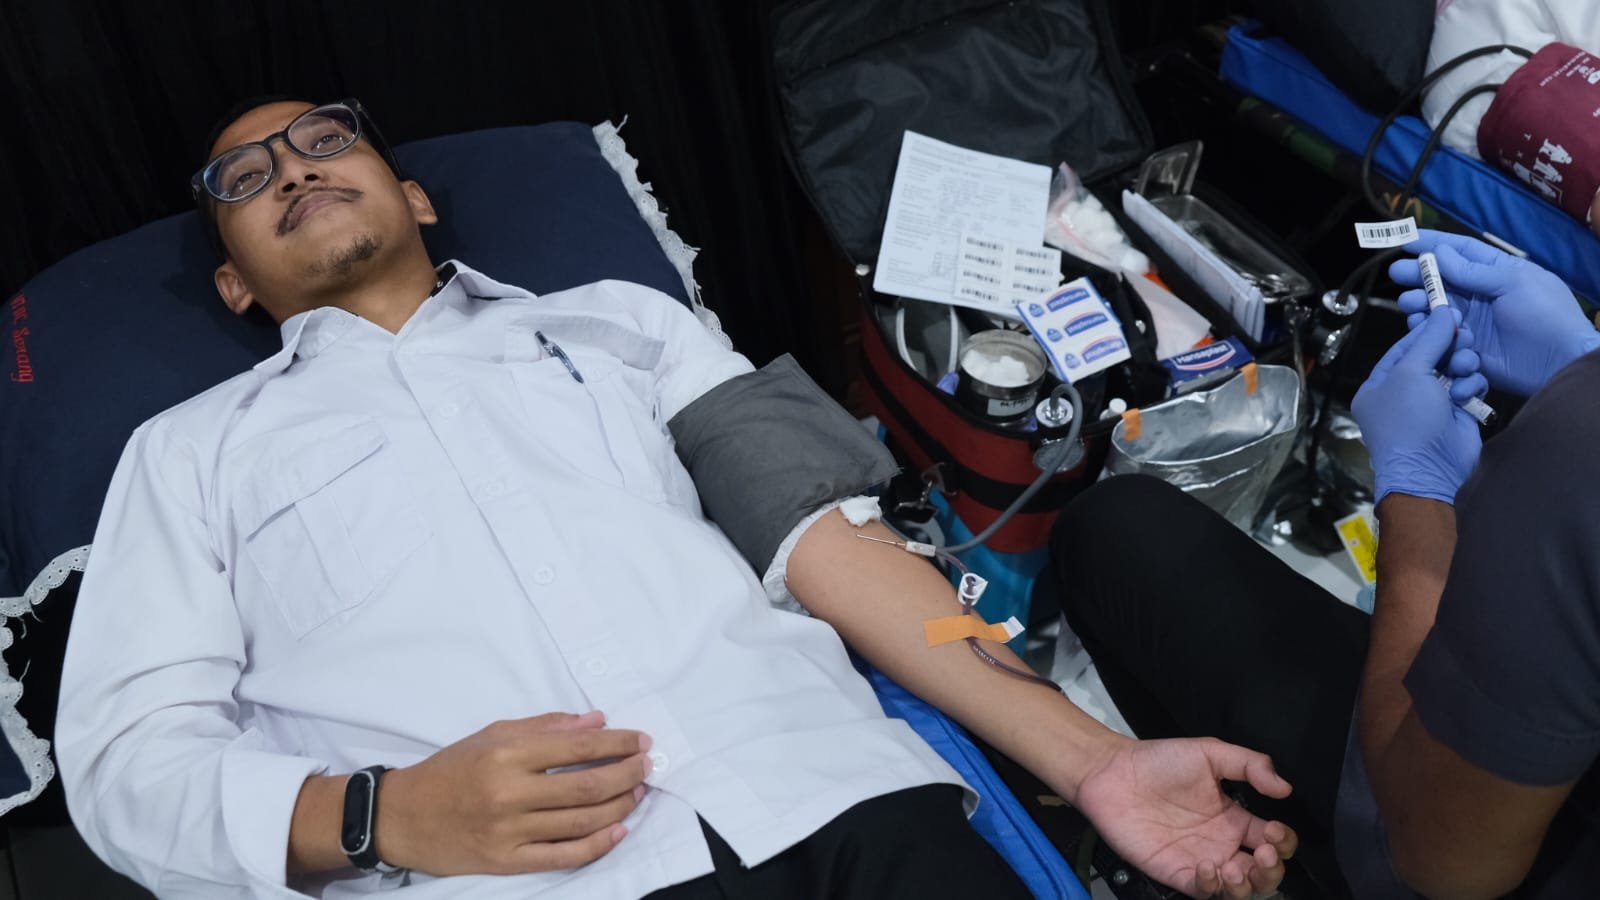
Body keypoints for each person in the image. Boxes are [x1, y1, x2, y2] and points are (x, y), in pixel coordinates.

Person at [54, 97, 1296, 900]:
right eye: (245, 175)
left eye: (327, 142)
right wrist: (386, 814)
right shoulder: (189, 453)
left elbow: (824, 539)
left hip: (836, 801)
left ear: (415, 196)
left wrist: (1096, 762)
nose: (293, 168)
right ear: (232, 286)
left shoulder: (624, 325)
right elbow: (127, 768)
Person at [1050, 228, 1600, 898]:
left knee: (1113, 532)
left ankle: (1282, 858)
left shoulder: (1578, 451)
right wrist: (1579, 367)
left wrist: (1418, 492)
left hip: (1452, 842)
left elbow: (1443, 861)